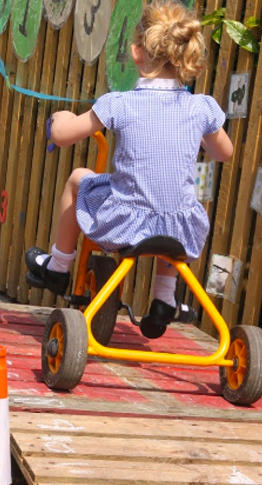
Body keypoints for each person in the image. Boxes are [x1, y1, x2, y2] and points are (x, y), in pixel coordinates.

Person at [26, 0, 233, 332]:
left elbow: (64, 135)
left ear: (137, 52)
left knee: (80, 178)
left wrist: (58, 119)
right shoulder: (201, 108)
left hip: (124, 224)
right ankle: (165, 298)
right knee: (178, 199)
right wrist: (203, 135)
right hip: (179, 232)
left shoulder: (119, 104)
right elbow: (224, 152)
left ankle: (58, 266)